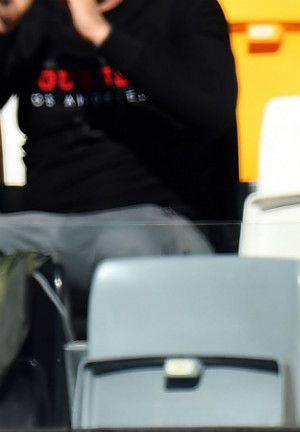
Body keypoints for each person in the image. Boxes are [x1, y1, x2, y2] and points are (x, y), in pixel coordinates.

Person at [0, 0, 239, 320]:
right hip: (45, 223)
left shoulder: (183, 9)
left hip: (150, 219)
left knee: (122, 245)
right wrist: (5, 28)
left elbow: (213, 110)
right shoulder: (36, 18)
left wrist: (102, 34)